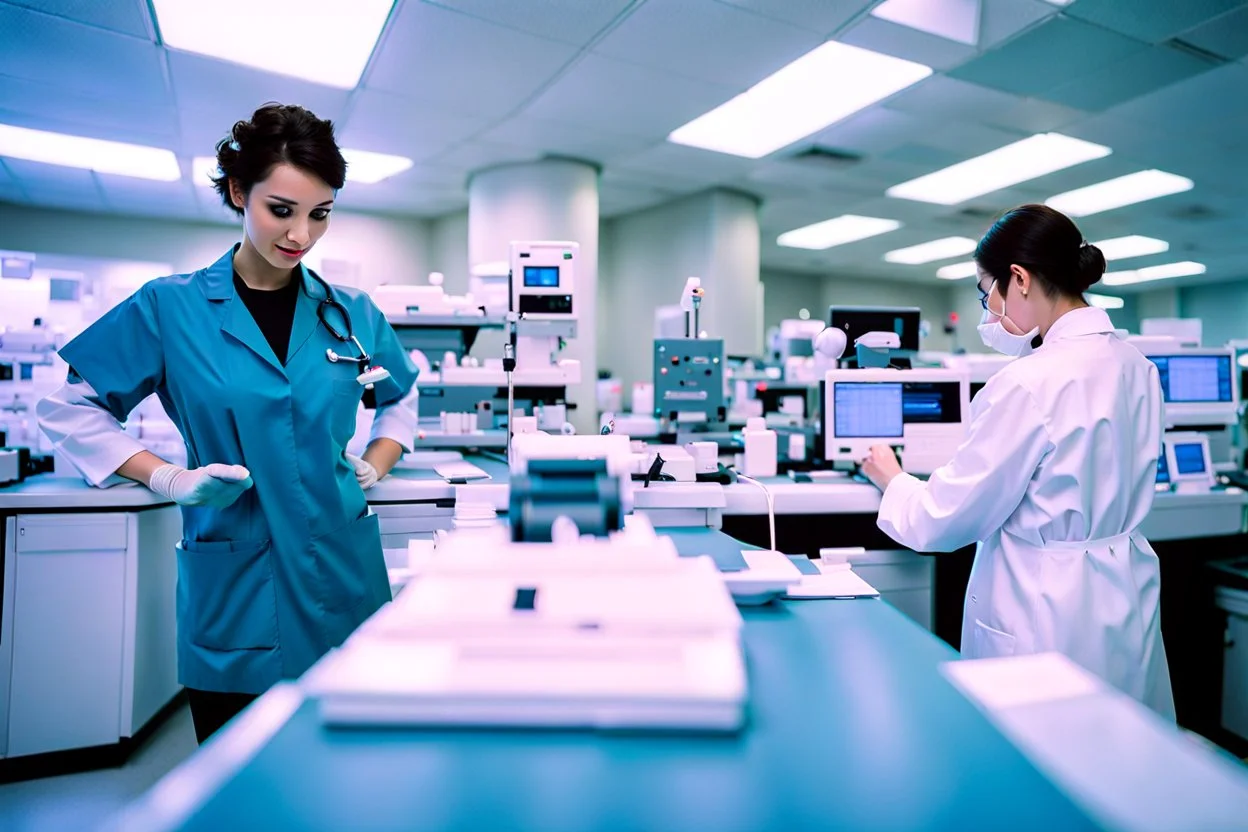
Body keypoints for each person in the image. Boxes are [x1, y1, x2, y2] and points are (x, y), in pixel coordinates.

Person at [37, 104, 419, 743]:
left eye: (319, 214)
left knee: (346, 787)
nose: (300, 234)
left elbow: (402, 397)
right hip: (237, 585)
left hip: (342, 575)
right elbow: (68, 407)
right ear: (239, 193)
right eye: (281, 209)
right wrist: (166, 478)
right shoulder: (169, 306)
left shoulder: (350, 311)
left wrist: (375, 461)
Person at [860, 204, 1174, 718]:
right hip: (1125, 593)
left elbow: (945, 518)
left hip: (1045, 604)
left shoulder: (1028, 383)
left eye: (988, 295)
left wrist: (893, 480)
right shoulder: (1136, 367)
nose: (989, 315)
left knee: (1044, 760)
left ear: (1019, 279)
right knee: (1121, 751)